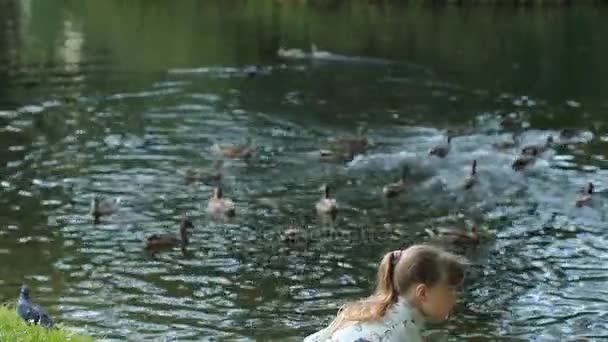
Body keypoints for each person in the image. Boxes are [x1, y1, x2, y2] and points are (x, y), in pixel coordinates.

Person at [304, 244, 467, 342]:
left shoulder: (364, 312)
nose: (455, 298)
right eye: (449, 290)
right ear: (422, 293)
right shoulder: (403, 334)